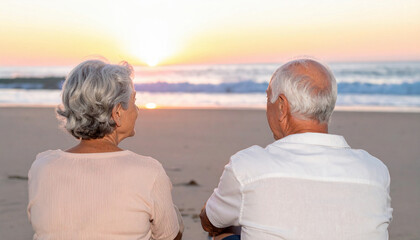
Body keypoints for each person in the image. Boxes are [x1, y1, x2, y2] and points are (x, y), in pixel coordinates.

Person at [200, 59, 392, 240]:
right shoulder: (375, 171)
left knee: (225, 229)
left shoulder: (248, 167)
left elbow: (210, 220)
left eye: (269, 99)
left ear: (282, 107)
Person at [27, 59, 183, 240]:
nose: (137, 109)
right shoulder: (148, 172)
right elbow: (170, 236)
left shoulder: (42, 167)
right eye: (133, 101)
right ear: (117, 112)